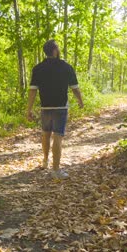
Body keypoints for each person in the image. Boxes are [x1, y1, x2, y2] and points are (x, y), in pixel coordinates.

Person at [26, 40, 84, 179]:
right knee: (57, 136)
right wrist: (80, 101)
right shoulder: (66, 67)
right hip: (60, 107)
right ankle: (56, 170)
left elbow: (32, 91)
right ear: (54, 51)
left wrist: (28, 109)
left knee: (46, 134)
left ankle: (45, 162)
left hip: (45, 107)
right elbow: (75, 88)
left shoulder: (38, 68)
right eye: (58, 48)